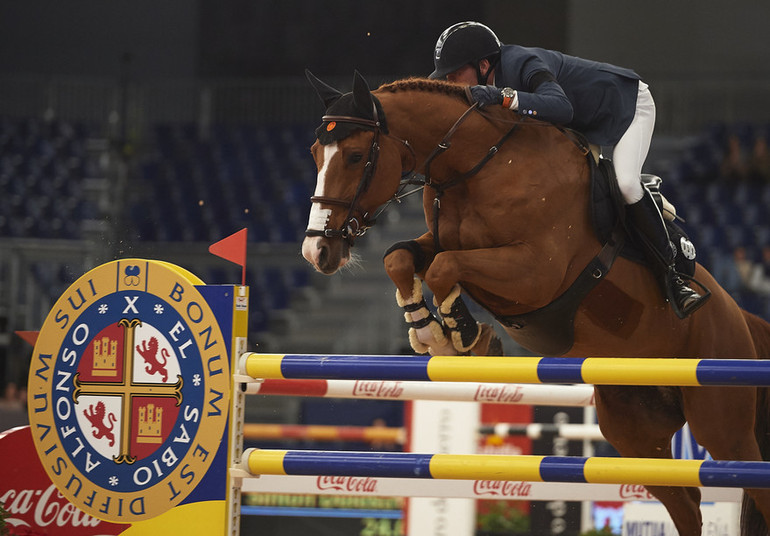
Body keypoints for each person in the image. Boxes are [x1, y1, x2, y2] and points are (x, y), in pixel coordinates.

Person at [428, 21, 709, 319]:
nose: (451, 81)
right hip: (582, 126)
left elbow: (562, 108)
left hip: (626, 107)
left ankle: (674, 278)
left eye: (456, 73)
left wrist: (504, 97)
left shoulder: (522, 62)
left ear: (483, 65)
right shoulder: (489, 83)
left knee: (626, 184)